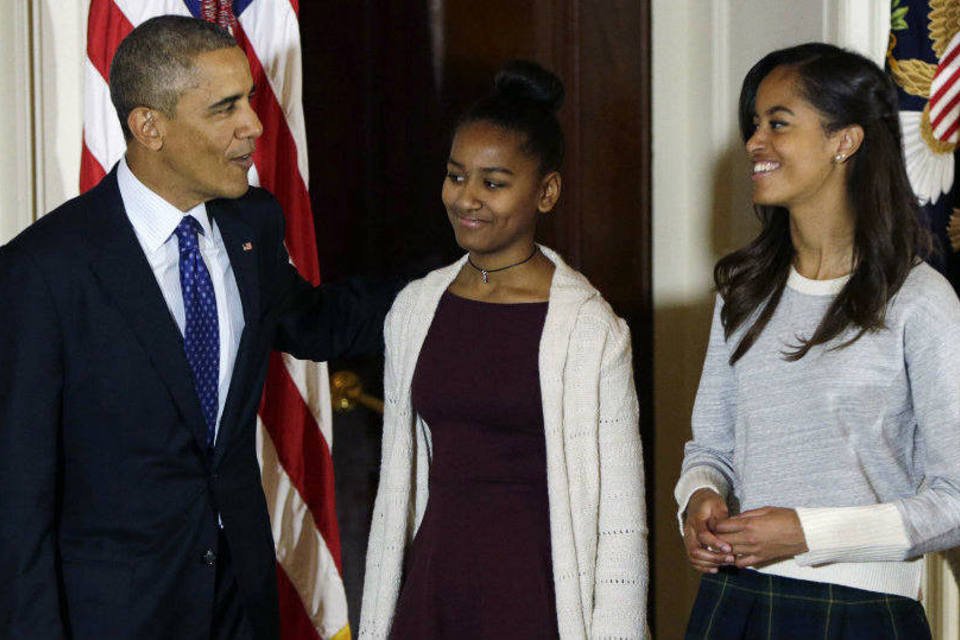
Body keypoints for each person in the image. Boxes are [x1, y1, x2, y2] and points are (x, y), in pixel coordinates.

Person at [0, 16, 395, 640]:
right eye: (225, 108)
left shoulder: (253, 224)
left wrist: (465, 280)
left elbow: (318, 325)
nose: (255, 126)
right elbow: (17, 499)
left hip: (240, 600)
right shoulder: (45, 271)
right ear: (149, 125)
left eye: (251, 100)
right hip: (115, 616)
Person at [676, 42, 960, 638]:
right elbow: (711, 450)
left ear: (844, 141)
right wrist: (699, 501)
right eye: (754, 124)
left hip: (861, 614)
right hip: (734, 601)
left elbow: (956, 501)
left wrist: (806, 532)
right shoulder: (743, 291)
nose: (755, 142)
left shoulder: (920, 301)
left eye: (778, 123)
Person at [358, 60, 647, 639]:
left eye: (493, 183)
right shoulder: (414, 308)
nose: (467, 199)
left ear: (546, 192)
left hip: (539, 588)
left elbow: (621, 522)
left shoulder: (591, 329)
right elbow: (398, 485)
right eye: (455, 175)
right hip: (436, 580)